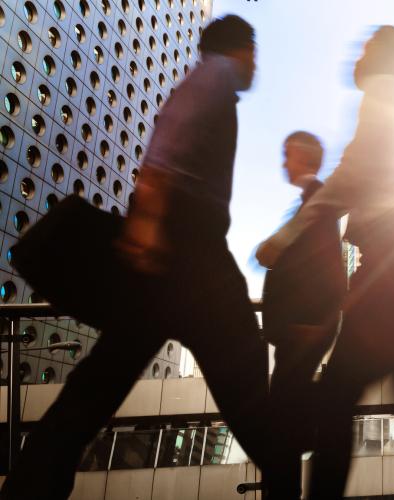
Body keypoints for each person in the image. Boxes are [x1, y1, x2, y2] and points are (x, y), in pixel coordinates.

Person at [1, 15, 287, 499]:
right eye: (253, 52)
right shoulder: (214, 75)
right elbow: (171, 137)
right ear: (239, 49)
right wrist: (150, 218)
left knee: (100, 381)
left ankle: (30, 487)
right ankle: (285, 475)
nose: (256, 64)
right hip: (189, 253)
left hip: (175, 256)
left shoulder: (211, 80)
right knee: (245, 382)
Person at [256, 26, 394, 499]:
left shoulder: (383, 95)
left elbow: (350, 177)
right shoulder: (392, 101)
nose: (357, 53)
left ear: (382, 57)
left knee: (335, 400)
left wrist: (285, 236)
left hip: (389, 267)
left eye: (366, 46)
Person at [261, 131, 347, 498]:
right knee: (284, 421)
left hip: (301, 330)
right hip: (299, 329)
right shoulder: (311, 201)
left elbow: (326, 268)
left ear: (303, 156)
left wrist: (314, 324)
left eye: (287, 155)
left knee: (281, 423)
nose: (284, 162)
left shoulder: (317, 200)